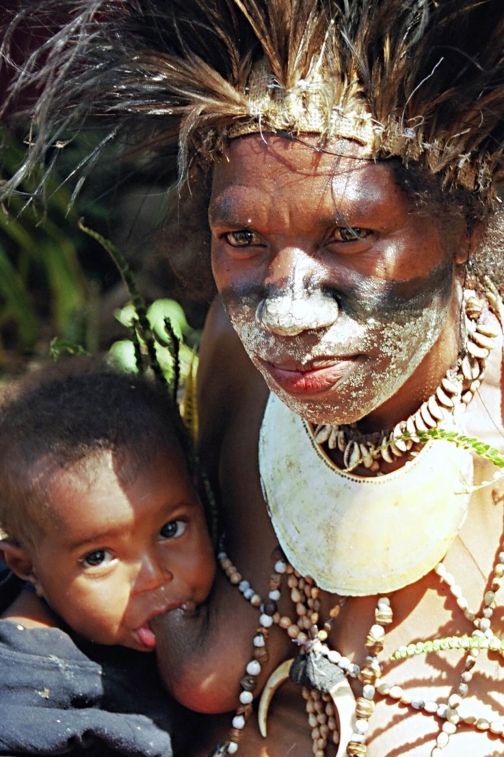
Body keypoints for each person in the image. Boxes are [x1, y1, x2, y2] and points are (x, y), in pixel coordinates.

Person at [3, 1, 504, 756]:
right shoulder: (240, 365)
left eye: (349, 234)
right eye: (243, 238)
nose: (288, 308)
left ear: (463, 227)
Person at [0, 362, 215, 756]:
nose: (155, 576)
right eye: (98, 557)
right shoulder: (25, 705)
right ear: (26, 567)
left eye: (171, 529)